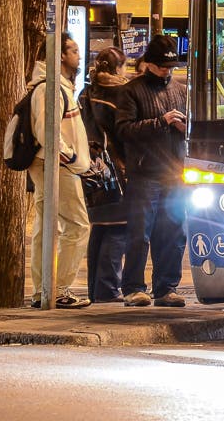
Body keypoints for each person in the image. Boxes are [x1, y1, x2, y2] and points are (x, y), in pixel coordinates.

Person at [115, 34, 188, 307]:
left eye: (170, 68)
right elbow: (123, 130)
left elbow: (193, 128)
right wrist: (161, 122)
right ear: (148, 63)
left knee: (173, 232)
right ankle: (133, 287)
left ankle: (166, 287)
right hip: (144, 173)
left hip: (175, 171)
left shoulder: (180, 90)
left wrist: (185, 127)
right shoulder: (131, 91)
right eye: (161, 67)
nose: (166, 72)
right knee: (139, 233)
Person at [28, 32, 92, 309]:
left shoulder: (56, 85)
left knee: (46, 227)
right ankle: (58, 289)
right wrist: (72, 156)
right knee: (77, 226)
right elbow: (48, 131)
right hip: (55, 164)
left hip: (51, 162)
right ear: (60, 55)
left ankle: (44, 290)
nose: (78, 55)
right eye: (74, 50)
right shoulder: (50, 88)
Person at [79, 46, 129, 303]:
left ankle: (94, 289)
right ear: (118, 68)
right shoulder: (119, 94)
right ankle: (108, 289)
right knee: (118, 228)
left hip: (91, 168)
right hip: (114, 170)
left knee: (99, 228)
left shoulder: (86, 92)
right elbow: (123, 135)